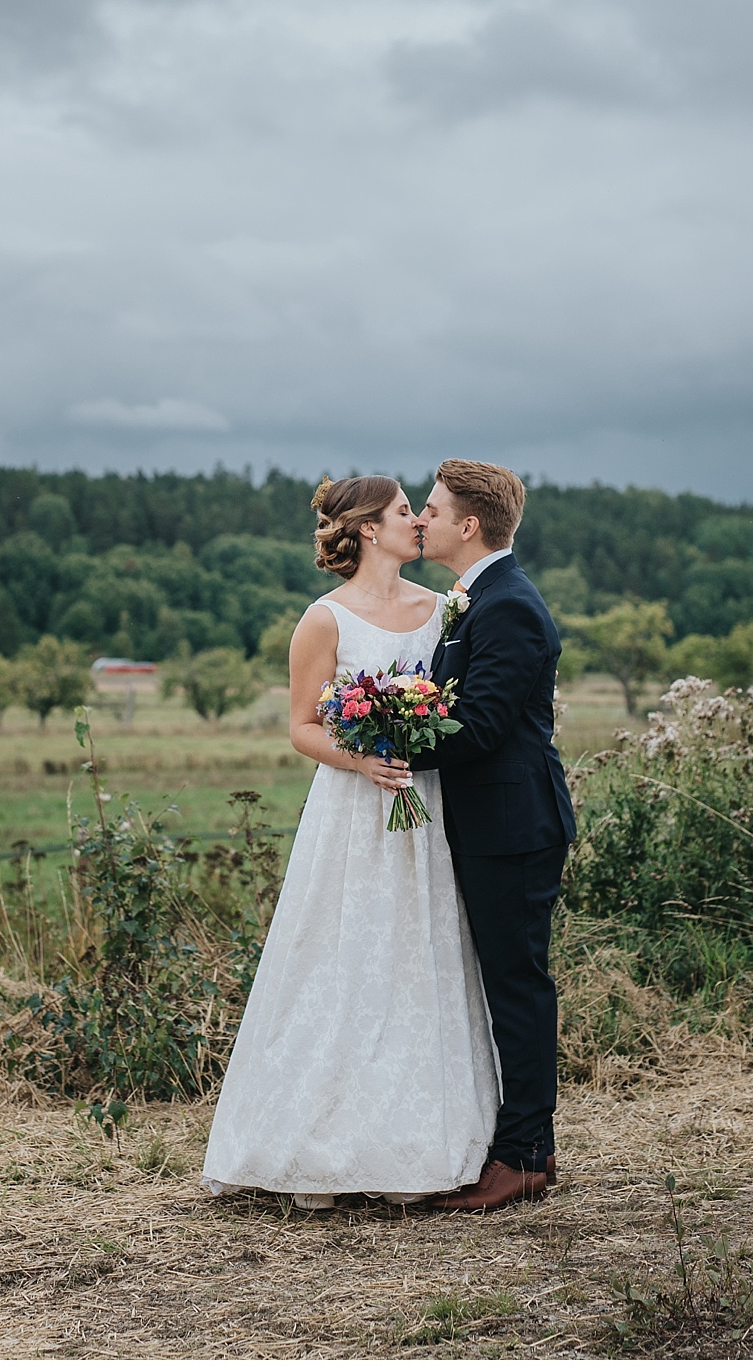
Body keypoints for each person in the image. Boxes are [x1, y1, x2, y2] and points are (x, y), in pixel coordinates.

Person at [200, 475, 498, 1210]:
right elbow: (303, 725)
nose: (417, 522)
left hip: (421, 807)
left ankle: (416, 1144)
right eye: (405, 512)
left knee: (416, 959)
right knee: (341, 961)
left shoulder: (444, 612)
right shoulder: (323, 620)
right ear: (368, 528)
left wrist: (413, 743)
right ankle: (317, 1145)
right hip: (350, 812)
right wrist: (362, 757)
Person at [406, 459, 577, 1212]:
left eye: (433, 510)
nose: (421, 520)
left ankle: (526, 1155)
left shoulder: (506, 605)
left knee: (516, 983)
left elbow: (475, 728)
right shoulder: (475, 597)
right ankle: (510, 1141)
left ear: (469, 524)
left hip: (514, 824)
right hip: (489, 821)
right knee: (502, 981)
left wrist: (384, 740)